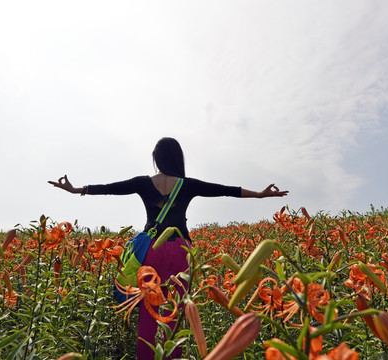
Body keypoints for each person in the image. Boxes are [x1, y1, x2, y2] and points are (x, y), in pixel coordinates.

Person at [49, 137, 288, 360]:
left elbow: (111, 187)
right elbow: (225, 189)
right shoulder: (188, 185)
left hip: (152, 249)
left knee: (148, 306)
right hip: (180, 250)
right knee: (177, 306)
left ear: (157, 158)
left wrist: (77, 189)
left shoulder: (143, 183)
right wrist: (259, 195)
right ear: (177, 158)